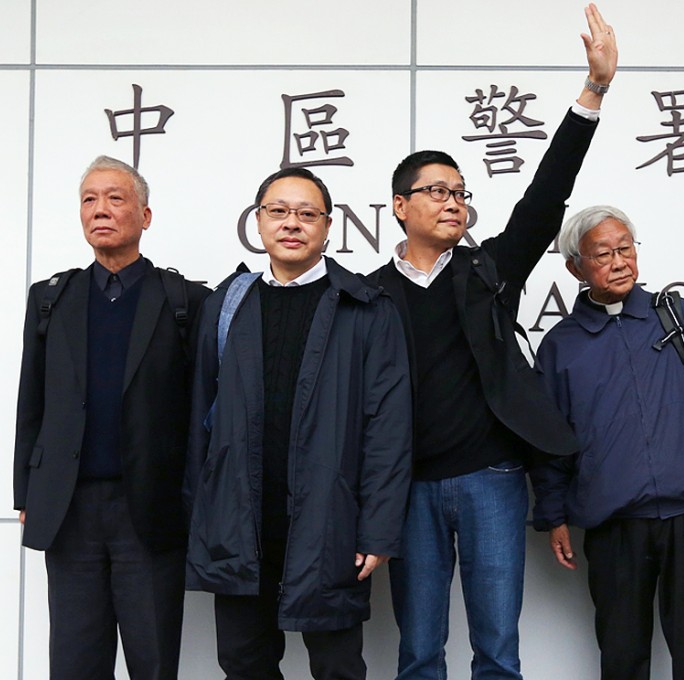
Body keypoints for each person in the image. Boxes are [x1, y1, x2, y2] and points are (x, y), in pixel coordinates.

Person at [364, 5, 617, 678]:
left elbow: (544, 197)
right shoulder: (364, 294)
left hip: (491, 479)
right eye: (436, 191)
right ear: (399, 205)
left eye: (461, 192)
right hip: (408, 486)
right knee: (418, 651)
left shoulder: (489, 271)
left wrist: (592, 93)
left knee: (497, 652)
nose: (453, 201)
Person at [184, 167, 413, 680]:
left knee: (336, 665)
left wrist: (377, 529)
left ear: (328, 226)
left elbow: (388, 430)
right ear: (258, 222)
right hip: (241, 525)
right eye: (279, 212)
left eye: (307, 214)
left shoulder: (367, 309)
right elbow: (199, 420)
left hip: (329, 523)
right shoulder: (227, 305)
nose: (293, 224)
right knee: (244, 663)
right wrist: (201, 515)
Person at [529, 205, 684, 680]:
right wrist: (552, 513)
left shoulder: (676, 316)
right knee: (622, 653)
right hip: (615, 521)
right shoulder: (561, 345)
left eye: (625, 249)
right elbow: (548, 441)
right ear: (575, 267)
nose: (619, 262)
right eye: (603, 254)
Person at [13, 155, 209, 679]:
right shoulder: (51, 299)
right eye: (89, 199)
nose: (100, 210)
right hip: (69, 507)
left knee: (153, 660)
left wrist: (194, 496)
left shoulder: (186, 301)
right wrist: (25, 493)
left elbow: (202, 415)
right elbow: (31, 401)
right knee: (75, 663)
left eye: (115, 198)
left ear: (145, 216)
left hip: (150, 509)